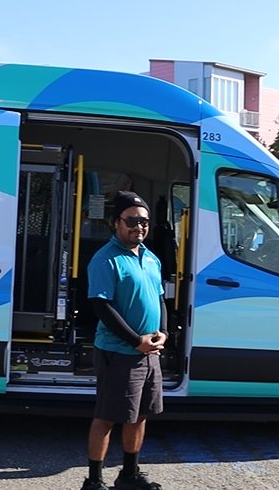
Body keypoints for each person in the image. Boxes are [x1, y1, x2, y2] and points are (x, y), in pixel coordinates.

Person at [83, 191, 167, 490]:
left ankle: (129, 475)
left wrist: (163, 333)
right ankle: (93, 481)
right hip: (119, 352)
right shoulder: (106, 259)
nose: (139, 227)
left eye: (144, 221)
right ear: (116, 222)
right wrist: (135, 341)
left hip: (148, 353)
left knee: (139, 416)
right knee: (107, 417)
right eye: (131, 220)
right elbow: (101, 307)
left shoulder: (150, 257)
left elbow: (160, 299)